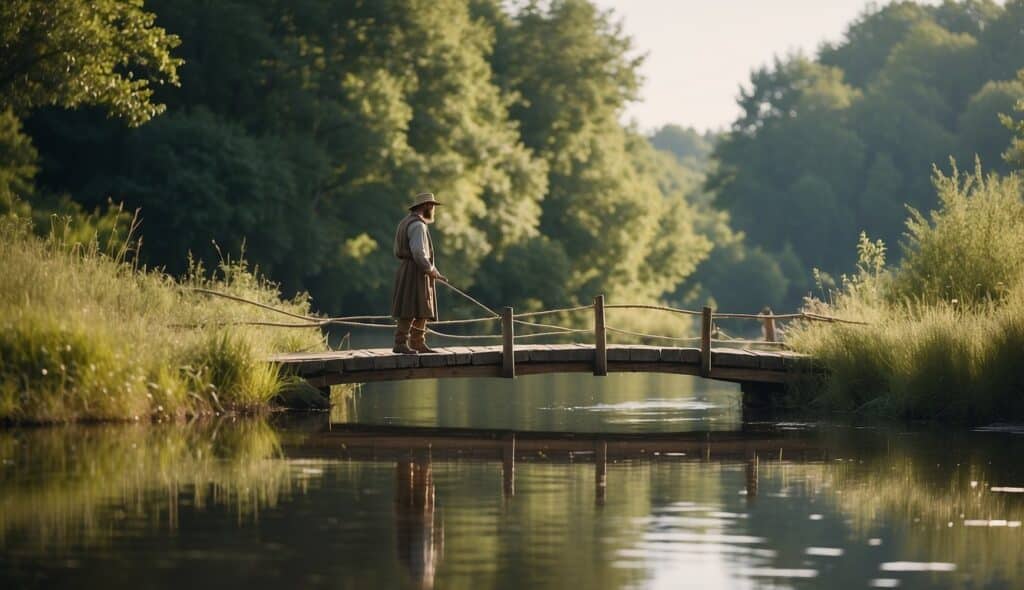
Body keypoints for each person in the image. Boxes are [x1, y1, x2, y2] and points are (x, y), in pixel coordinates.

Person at [392, 192, 447, 354]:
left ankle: (417, 343)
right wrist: (429, 270)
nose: (433, 209)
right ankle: (401, 343)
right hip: (415, 271)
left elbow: (397, 250)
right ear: (426, 206)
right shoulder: (418, 225)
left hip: (409, 269)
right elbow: (418, 253)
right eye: (432, 206)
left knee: (421, 307)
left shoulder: (404, 222)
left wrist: (433, 271)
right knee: (411, 307)